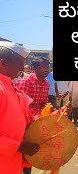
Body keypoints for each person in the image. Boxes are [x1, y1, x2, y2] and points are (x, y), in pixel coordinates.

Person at [0, 41, 40, 174]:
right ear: (3, 63)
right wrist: (18, 146)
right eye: (19, 64)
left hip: (13, 162)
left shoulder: (11, 87)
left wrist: (56, 114)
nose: (23, 69)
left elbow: (26, 119)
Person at [15, 57, 50, 174]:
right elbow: (20, 107)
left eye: (48, 66)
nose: (47, 69)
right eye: (43, 67)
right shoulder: (25, 82)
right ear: (34, 69)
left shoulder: (46, 83)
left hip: (36, 124)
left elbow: (44, 104)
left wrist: (52, 111)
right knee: (21, 155)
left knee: (30, 155)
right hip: (23, 124)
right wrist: (35, 117)